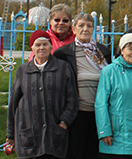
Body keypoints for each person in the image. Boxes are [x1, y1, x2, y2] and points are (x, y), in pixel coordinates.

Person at [7, 30, 79, 159]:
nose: (41, 48)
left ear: (51, 46)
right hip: (28, 136)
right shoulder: (23, 71)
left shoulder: (63, 68)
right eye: (38, 45)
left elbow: (72, 101)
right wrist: (10, 134)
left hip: (54, 135)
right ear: (32, 48)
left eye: (45, 44)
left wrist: (64, 123)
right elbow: (13, 104)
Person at [54, 13, 111, 159]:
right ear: (73, 29)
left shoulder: (102, 52)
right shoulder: (63, 53)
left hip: (99, 113)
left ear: (93, 29)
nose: (85, 29)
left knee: (95, 153)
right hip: (76, 113)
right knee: (76, 153)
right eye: (81, 25)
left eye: (89, 26)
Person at [95, 33, 132, 158]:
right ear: (122, 51)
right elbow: (101, 103)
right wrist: (104, 131)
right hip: (115, 138)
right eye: (130, 49)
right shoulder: (109, 71)